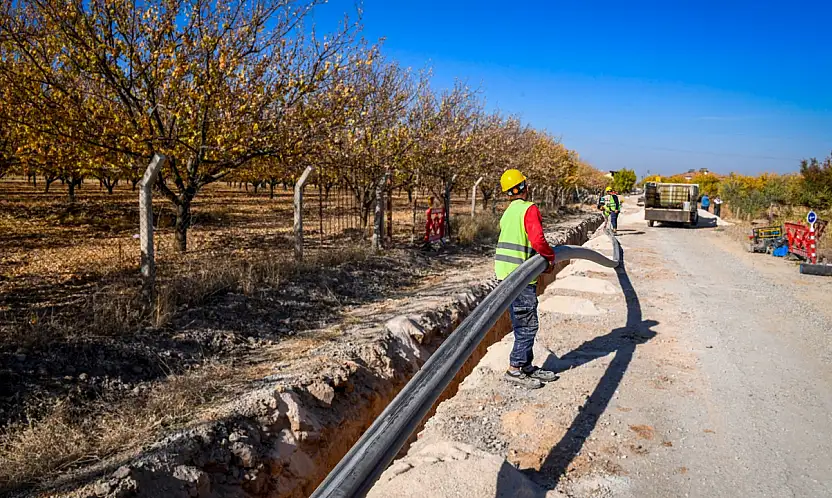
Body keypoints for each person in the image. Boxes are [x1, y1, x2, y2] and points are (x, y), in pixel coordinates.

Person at [495, 169, 559, 389]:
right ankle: (515, 368)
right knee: (528, 325)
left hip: (505, 274)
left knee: (522, 322)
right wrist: (549, 258)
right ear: (525, 186)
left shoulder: (508, 212)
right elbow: (538, 240)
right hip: (520, 277)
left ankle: (527, 366)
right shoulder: (528, 209)